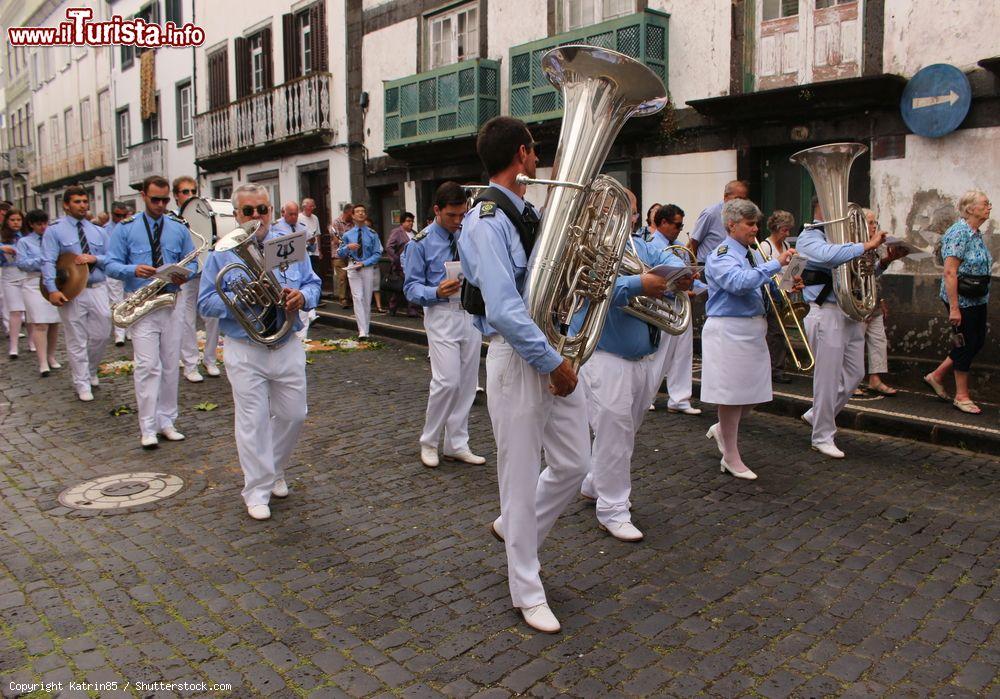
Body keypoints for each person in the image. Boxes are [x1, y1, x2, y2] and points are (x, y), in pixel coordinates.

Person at [458, 116, 588, 634]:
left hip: (547, 347)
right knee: (517, 479)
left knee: (575, 462)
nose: (539, 161)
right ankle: (526, 590)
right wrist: (553, 362)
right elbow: (507, 310)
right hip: (518, 357)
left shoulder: (529, 211)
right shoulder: (486, 220)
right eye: (535, 152)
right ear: (521, 153)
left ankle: (516, 530)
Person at [198, 183, 321, 520]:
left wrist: (303, 297)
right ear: (237, 215)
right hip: (245, 346)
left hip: (285, 341)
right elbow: (205, 301)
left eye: (262, 210)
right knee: (252, 421)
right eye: (248, 211)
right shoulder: (220, 254)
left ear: (271, 210)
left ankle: (275, 469)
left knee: (295, 414)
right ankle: (256, 489)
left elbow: (313, 283)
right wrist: (240, 297)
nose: (256, 217)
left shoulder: (288, 246)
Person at [577, 195, 693, 541]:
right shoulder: (585, 247)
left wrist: (681, 281)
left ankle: (594, 481)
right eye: (613, 209)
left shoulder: (643, 247)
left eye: (627, 210)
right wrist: (637, 284)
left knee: (627, 429)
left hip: (644, 355)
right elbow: (588, 287)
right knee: (615, 429)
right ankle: (613, 509)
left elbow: (670, 274)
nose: (623, 216)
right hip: (604, 352)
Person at [702, 199, 799, 480]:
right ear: (731, 225)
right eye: (749, 224)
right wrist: (773, 265)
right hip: (729, 328)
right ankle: (731, 456)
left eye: (756, 223)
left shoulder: (752, 253)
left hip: (752, 328)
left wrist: (787, 283)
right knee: (732, 395)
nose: (755, 229)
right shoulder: (722, 254)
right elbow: (737, 282)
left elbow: (761, 285)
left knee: (753, 393)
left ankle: (723, 430)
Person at [106, 176, 197, 449]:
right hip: (141, 302)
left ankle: (167, 421)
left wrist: (185, 275)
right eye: (155, 199)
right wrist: (132, 269)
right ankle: (147, 426)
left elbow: (193, 262)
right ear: (143, 196)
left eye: (164, 200)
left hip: (172, 301)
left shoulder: (178, 228)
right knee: (147, 366)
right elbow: (110, 264)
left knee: (170, 364)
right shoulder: (125, 228)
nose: (160, 205)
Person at [403, 183, 485, 469]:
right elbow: (410, 288)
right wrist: (435, 291)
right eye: (452, 215)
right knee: (446, 381)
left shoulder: (467, 233)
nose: (458, 220)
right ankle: (429, 440)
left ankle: (457, 442)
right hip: (440, 313)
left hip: (469, 312)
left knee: (466, 384)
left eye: (462, 214)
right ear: (437, 210)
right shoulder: (420, 243)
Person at [798, 197, 886, 458]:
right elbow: (827, 256)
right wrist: (865, 245)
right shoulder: (809, 235)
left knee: (856, 373)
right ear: (823, 210)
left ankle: (817, 414)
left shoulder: (848, 240)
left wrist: (883, 260)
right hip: (826, 311)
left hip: (851, 311)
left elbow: (862, 272)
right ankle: (822, 435)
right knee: (826, 379)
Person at [924, 190, 993, 414]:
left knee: (977, 341)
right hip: (961, 299)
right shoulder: (959, 233)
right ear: (971, 209)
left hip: (978, 297)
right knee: (964, 344)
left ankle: (936, 376)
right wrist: (954, 308)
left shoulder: (975, 233)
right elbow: (950, 272)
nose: (989, 207)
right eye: (985, 204)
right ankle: (961, 396)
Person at [42, 186, 112, 402]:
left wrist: (95, 259)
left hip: (97, 287)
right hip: (72, 292)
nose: (82, 205)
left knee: (102, 332)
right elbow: (48, 261)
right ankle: (81, 382)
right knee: (76, 338)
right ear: (66, 205)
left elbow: (110, 257)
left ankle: (91, 369)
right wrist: (52, 290)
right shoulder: (55, 231)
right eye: (77, 202)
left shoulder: (98, 231)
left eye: (84, 201)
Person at [645, 204, 702, 414]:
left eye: (681, 225)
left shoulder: (679, 247)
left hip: (681, 304)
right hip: (662, 304)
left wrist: (694, 282)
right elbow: (650, 276)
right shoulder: (651, 245)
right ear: (663, 223)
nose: (679, 229)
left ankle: (680, 399)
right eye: (677, 225)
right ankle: (647, 395)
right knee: (659, 353)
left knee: (683, 353)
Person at [860, 208, 909, 396]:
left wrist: (888, 259)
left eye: (875, 223)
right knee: (855, 343)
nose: (874, 226)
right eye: (870, 223)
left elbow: (873, 275)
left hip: (873, 300)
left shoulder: (875, 246)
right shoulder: (855, 245)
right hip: (858, 302)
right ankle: (851, 380)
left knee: (878, 340)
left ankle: (875, 379)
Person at [16, 210, 61, 376]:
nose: (43, 227)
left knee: (54, 322)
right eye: (39, 224)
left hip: (52, 282)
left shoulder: (53, 239)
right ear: (32, 225)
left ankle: (51, 356)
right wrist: (43, 260)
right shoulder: (24, 242)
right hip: (33, 283)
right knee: (39, 323)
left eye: (45, 223)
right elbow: (21, 263)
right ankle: (42, 362)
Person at [170, 176, 207, 383]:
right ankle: (191, 364)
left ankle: (210, 360)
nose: (190, 196)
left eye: (193, 191)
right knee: (187, 318)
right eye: (185, 192)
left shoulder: (203, 213)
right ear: (176, 196)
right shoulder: (172, 218)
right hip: (185, 272)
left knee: (213, 318)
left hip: (205, 268)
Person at [759, 210, 795, 383]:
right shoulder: (765, 246)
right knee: (774, 332)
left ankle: (777, 366)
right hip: (771, 294)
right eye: (784, 230)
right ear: (776, 228)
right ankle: (775, 369)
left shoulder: (787, 246)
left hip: (784, 292)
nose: (787, 234)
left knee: (779, 332)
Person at [337, 204, 382, 338]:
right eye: (358, 212)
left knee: (367, 299)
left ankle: (366, 328)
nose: (361, 214)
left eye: (363, 211)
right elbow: (339, 253)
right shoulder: (347, 235)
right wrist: (348, 248)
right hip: (353, 268)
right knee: (357, 297)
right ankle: (361, 330)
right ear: (353, 216)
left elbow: (378, 253)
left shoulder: (372, 234)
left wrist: (364, 263)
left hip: (367, 268)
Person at [272, 200, 315, 340]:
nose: (294, 217)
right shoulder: (275, 227)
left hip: (302, 263)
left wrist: (312, 244)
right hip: (285, 266)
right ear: (283, 213)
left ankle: (302, 338)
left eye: (296, 214)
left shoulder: (302, 226)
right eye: (290, 214)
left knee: (302, 296)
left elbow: (311, 246)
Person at [687, 180, 750, 263]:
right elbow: (693, 244)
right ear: (725, 197)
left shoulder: (741, 216)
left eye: (744, 199)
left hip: (730, 266)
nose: (741, 203)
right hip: (706, 267)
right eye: (737, 199)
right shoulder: (711, 213)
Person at [104, 202, 132, 347]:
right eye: (117, 215)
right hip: (115, 269)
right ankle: (119, 333)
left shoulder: (131, 227)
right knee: (116, 301)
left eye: (123, 215)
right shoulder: (105, 230)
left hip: (129, 269)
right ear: (111, 213)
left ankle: (130, 329)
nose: (120, 218)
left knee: (131, 299)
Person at [1, 209, 28, 358]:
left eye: (18, 219)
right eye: (12, 220)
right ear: (7, 221)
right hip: (9, 274)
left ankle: (32, 342)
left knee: (30, 310)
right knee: (15, 311)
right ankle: (13, 345)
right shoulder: (2, 237)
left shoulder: (26, 236)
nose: (16, 223)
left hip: (26, 274)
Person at [386, 211, 417, 316]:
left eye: (412, 221)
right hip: (401, 265)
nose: (410, 223)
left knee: (411, 285)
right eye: (408, 221)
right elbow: (389, 246)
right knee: (400, 287)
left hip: (413, 264)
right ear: (402, 222)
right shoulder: (397, 232)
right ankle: (393, 306)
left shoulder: (414, 233)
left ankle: (411, 308)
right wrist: (396, 259)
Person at [329, 203, 355, 308]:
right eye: (352, 213)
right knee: (343, 276)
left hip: (350, 255)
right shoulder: (336, 222)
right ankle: (343, 298)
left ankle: (351, 297)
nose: (353, 215)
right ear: (347, 212)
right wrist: (348, 244)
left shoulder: (353, 224)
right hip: (338, 254)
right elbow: (336, 240)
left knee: (351, 276)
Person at [300, 197, 322, 276]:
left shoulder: (315, 218)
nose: (313, 208)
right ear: (304, 207)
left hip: (314, 252)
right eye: (311, 206)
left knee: (316, 273)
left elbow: (318, 234)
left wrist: (319, 250)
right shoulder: (299, 218)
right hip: (304, 252)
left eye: (313, 206)